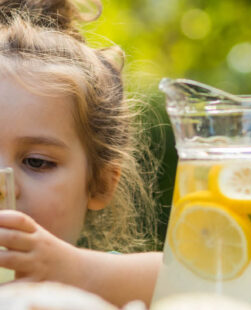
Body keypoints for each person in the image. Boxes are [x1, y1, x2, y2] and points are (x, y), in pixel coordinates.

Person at [0, 0, 163, 307]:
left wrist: (77, 271)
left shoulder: (110, 286)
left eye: (36, 162)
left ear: (100, 183)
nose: (4, 184)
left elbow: (211, 283)